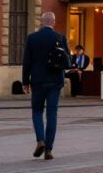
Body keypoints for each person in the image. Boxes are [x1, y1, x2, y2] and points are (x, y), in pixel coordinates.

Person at [22, 12, 70, 160]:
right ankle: (48, 150)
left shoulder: (32, 38)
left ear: (41, 22)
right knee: (52, 115)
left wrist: (25, 81)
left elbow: (27, 61)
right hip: (55, 80)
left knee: (37, 112)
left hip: (37, 80)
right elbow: (68, 60)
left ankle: (40, 140)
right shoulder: (60, 38)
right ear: (53, 22)